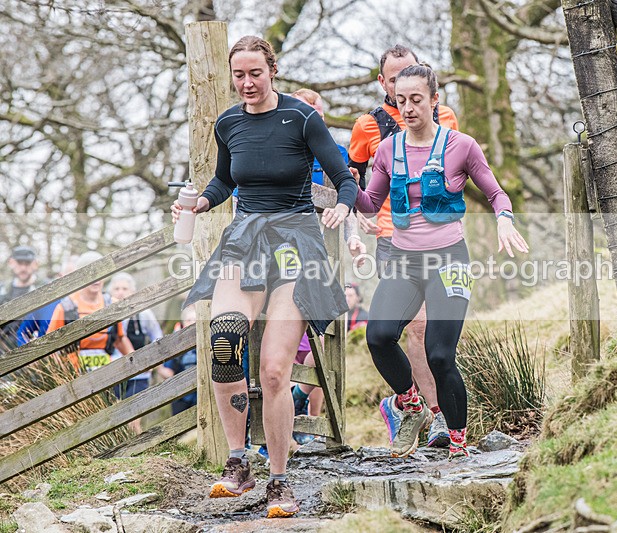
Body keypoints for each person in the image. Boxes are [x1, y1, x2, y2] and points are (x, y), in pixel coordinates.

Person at [172, 36, 357, 518]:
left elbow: (345, 178)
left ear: (272, 70)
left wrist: (342, 207)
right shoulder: (228, 124)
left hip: (295, 241)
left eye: (255, 73)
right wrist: (200, 203)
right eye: (239, 75)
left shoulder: (302, 117)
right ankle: (238, 461)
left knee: (275, 370)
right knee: (224, 339)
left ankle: (279, 479)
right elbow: (224, 180)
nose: (247, 83)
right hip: (244, 240)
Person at [355, 65, 529, 460]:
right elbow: (370, 202)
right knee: (379, 336)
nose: (408, 108)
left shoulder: (461, 146)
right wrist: (346, 185)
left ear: (435, 100)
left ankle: (457, 443)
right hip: (403, 259)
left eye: (417, 99)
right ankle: (412, 405)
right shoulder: (388, 150)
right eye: (401, 100)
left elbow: (496, 193)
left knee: (439, 355)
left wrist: (504, 219)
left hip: (449, 259)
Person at [348, 44, 460, 449]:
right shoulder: (367, 126)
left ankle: (413, 407)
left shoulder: (445, 117)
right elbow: (349, 179)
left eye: (410, 74)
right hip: (392, 238)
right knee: (415, 325)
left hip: (440, 239)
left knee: (436, 332)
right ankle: (434, 415)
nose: (402, 85)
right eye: (394, 79)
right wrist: (354, 221)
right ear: (383, 82)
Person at [46, 251, 135, 373]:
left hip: (106, 375)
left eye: (100, 272)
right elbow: (50, 347)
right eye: (90, 272)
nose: (96, 278)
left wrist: (137, 361)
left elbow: (119, 339)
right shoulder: (66, 307)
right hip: (75, 376)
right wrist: (60, 372)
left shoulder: (111, 304)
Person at [108, 272, 164, 432]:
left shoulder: (144, 313)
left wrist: (152, 361)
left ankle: (136, 446)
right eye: (117, 289)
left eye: (125, 288)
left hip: (139, 375)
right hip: (111, 373)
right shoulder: (104, 314)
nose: (120, 292)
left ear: (133, 291)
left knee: (133, 420)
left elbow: (158, 338)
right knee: (112, 419)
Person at [16, 255, 78, 346]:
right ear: (61, 276)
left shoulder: (91, 301)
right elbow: (22, 333)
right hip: (48, 353)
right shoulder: (45, 303)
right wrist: (31, 354)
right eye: (70, 274)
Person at [0, 245, 51, 349]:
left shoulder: (47, 289)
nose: (23, 268)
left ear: (35, 264)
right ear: (11, 263)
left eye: (27, 263)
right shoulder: (3, 290)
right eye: (19, 263)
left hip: (37, 349)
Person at [158, 305, 198, 416]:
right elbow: (169, 373)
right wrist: (158, 368)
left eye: (195, 320)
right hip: (182, 395)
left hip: (201, 393)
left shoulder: (207, 343)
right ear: (182, 324)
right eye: (189, 320)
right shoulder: (177, 346)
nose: (192, 323)